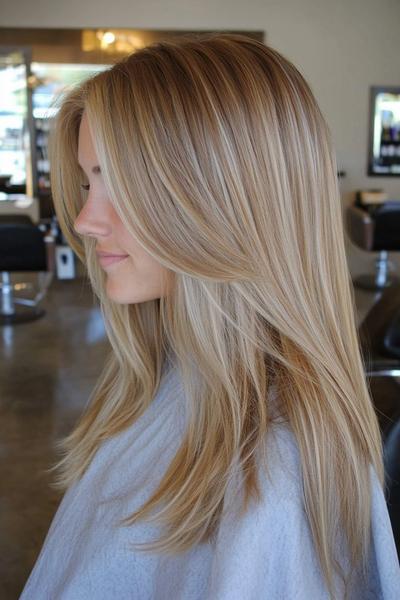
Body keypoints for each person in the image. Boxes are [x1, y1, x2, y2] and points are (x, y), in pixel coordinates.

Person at [20, 33, 400, 599]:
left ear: (219, 202)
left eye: (118, 183)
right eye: (86, 180)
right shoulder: (161, 380)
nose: (84, 220)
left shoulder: (269, 477)